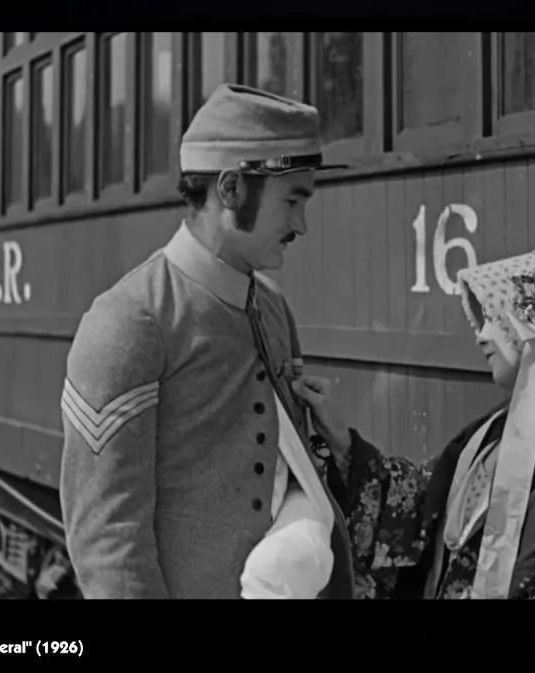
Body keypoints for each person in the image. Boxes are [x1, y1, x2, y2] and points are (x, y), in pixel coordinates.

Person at [58, 83, 353, 599]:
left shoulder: (272, 308)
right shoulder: (129, 320)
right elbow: (109, 543)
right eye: (292, 200)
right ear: (231, 189)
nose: (302, 224)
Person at [293, 235, 535, 599]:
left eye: (495, 319)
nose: (481, 336)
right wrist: (342, 444)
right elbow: (427, 507)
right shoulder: (499, 428)